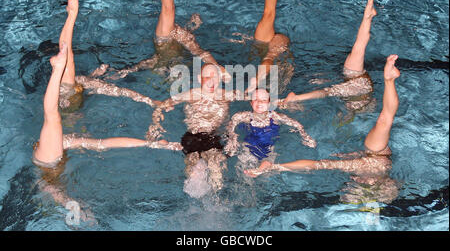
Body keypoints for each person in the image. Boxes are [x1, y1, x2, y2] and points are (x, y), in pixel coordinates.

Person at [32, 42, 182, 219]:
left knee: (53, 117)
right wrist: (151, 144)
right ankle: (58, 68)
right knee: (53, 117)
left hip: (48, 162)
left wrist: (151, 144)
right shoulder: (53, 167)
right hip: (50, 161)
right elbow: (104, 144)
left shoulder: (49, 172)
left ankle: (58, 68)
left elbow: (105, 144)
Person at [245, 55, 401, 204]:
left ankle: (389, 81)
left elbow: (316, 164)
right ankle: (389, 80)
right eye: (356, 183)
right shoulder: (363, 167)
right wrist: (276, 167)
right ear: (370, 182)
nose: (353, 181)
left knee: (385, 120)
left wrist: (274, 167)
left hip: (378, 156)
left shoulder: (364, 169)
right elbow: (315, 164)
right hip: (376, 156)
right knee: (384, 121)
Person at [104, 0, 230, 82]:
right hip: (176, 39)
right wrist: (217, 67)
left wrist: (123, 72)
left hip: (164, 40)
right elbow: (202, 53)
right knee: (170, 12)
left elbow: (137, 66)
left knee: (169, 12)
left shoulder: (156, 62)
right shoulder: (185, 61)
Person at [57, 0, 162, 111]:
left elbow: (65, 52)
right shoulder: (72, 86)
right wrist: (72, 14)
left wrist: (71, 14)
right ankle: (137, 67)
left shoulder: (68, 88)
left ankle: (136, 68)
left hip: (73, 97)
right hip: (74, 96)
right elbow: (65, 53)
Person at [149, 63, 243, 195]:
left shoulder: (227, 95)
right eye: (207, 77)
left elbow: (256, 99)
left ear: (220, 78)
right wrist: (156, 124)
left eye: (214, 76)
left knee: (216, 170)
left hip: (214, 138)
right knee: (194, 171)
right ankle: (195, 199)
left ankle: (216, 199)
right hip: (192, 137)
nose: (211, 80)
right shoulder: (191, 95)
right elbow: (161, 106)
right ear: (199, 79)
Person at [280, 0, 378, 114]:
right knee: (358, 49)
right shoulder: (356, 102)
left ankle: (368, 17)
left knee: (359, 48)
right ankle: (368, 17)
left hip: (358, 82)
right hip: (357, 86)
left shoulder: (358, 97)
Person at [224, 89, 316, 174]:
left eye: (263, 100)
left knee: (267, 171)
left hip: (269, 149)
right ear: (251, 103)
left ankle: (262, 168)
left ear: (269, 103)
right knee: (245, 172)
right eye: (256, 99)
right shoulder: (244, 116)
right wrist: (232, 140)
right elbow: (231, 125)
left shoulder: (276, 117)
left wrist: (306, 137)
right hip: (248, 147)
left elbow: (297, 125)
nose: (259, 102)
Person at [246, 0, 294, 95]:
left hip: (259, 47)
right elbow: (270, 60)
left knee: (268, 15)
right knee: (270, 56)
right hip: (278, 52)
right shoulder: (279, 85)